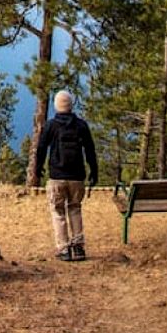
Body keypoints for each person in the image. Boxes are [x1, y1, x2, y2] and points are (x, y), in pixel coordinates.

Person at [31, 90, 98, 262]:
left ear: (56, 105)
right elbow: (90, 149)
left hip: (57, 176)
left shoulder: (51, 125)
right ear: (71, 105)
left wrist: (37, 170)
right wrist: (93, 171)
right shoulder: (81, 125)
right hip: (77, 177)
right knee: (75, 208)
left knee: (58, 211)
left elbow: (41, 149)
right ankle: (78, 247)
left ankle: (63, 248)